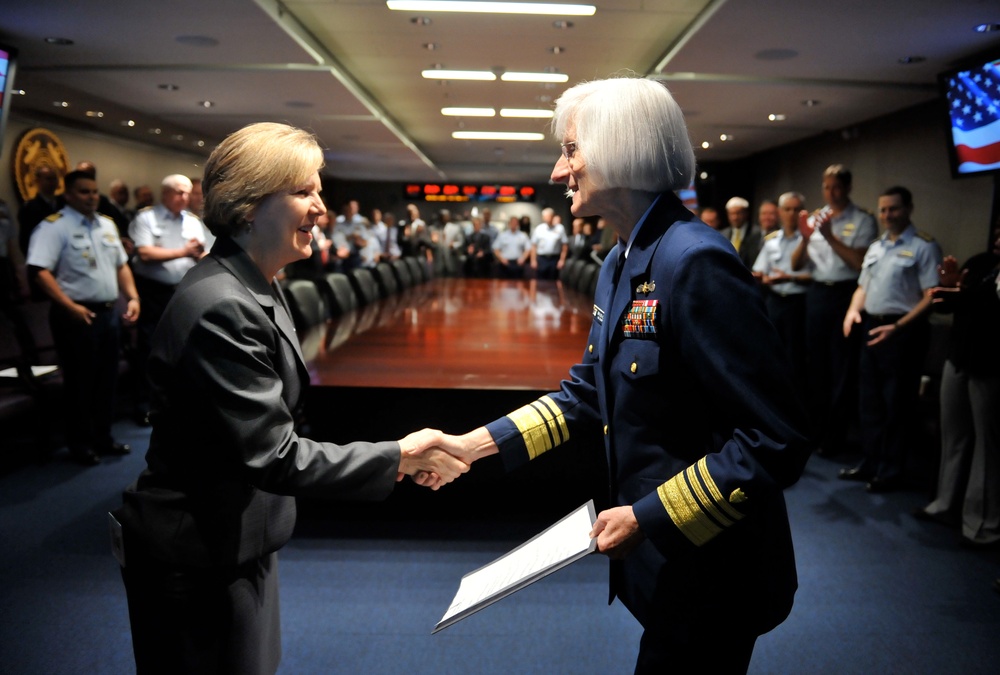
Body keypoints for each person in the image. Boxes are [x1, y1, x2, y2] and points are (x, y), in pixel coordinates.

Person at [439, 77, 810, 674]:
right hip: (666, 563)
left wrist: (647, 517)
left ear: (621, 149)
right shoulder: (622, 257)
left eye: (570, 150)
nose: (559, 173)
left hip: (712, 566)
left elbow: (775, 440)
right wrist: (472, 446)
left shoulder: (694, 261)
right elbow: (590, 391)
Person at [111, 122, 467, 674]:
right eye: (304, 192)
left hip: (235, 537)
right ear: (249, 207)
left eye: (317, 190)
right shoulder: (221, 305)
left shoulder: (255, 281)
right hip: (197, 555)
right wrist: (399, 455)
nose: (320, 208)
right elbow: (272, 454)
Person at [26, 170, 140, 465]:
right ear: (68, 195)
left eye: (93, 191)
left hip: (107, 313)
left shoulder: (106, 224)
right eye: (83, 192)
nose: (91, 197)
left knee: (107, 379)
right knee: (80, 383)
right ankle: (81, 444)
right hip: (75, 315)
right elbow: (39, 270)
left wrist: (133, 296)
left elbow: (121, 265)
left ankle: (104, 437)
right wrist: (68, 306)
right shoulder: (54, 227)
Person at [838, 186, 941, 492]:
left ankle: (890, 470)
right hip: (871, 326)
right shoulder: (877, 246)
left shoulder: (924, 246)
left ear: (908, 208)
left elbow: (930, 296)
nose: (886, 215)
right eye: (883, 210)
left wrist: (897, 328)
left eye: (893, 209)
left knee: (896, 403)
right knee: (869, 401)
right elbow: (862, 287)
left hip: (903, 332)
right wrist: (852, 312)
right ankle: (869, 462)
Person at [915, 228, 1000, 544]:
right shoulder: (981, 264)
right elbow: (948, 306)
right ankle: (945, 504)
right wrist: (951, 287)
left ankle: (981, 524)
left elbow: (988, 306)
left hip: (990, 366)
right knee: (953, 435)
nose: (998, 239)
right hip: (959, 357)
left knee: (987, 447)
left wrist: (962, 293)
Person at [792, 164, 877, 457]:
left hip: (845, 295)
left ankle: (835, 438)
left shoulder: (863, 220)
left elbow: (858, 263)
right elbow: (796, 265)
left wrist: (829, 236)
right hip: (817, 295)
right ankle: (814, 433)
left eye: (836, 187)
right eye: (826, 187)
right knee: (814, 367)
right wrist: (805, 237)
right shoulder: (816, 217)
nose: (831, 192)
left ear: (848, 187)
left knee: (840, 368)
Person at [128, 174, 207, 425]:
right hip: (153, 292)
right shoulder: (146, 218)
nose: (184, 197)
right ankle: (145, 405)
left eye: (187, 193)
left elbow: (199, 253)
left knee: (183, 348)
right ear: (164, 194)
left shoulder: (192, 221)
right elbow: (145, 253)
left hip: (183, 291)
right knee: (151, 349)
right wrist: (183, 252)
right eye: (178, 192)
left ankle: (175, 402)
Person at [752, 191, 812, 392]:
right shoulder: (772, 241)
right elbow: (759, 270)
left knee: (797, 355)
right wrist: (761, 277)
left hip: (800, 301)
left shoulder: (811, 239)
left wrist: (789, 277)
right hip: (775, 300)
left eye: (797, 209)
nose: (792, 214)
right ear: (780, 212)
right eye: (788, 209)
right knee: (771, 350)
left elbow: (819, 275)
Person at [18, 164, 63, 256]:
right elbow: (26, 239)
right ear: (38, 181)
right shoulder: (29, 208)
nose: (53, 182)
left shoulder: (65, 204)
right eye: (48, 179)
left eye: (55, 178)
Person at [721, 196, 762, 269]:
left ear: (746, 213)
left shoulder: (757, 233)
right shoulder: (723, 234)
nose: (735, 217)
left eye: (738, 213)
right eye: (731, 214)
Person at [530, 207, 568, 279]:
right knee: (541, 281)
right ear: (543, 217)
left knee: (553, 280)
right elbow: (534, 246)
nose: (548, 218)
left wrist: (562, 260)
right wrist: (533, 260)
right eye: (546, 216)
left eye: (550, 216)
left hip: (554, 258)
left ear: (553, 216)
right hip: (541, 259)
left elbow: (564, 245)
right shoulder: (539, 228)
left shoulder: (560, 228)